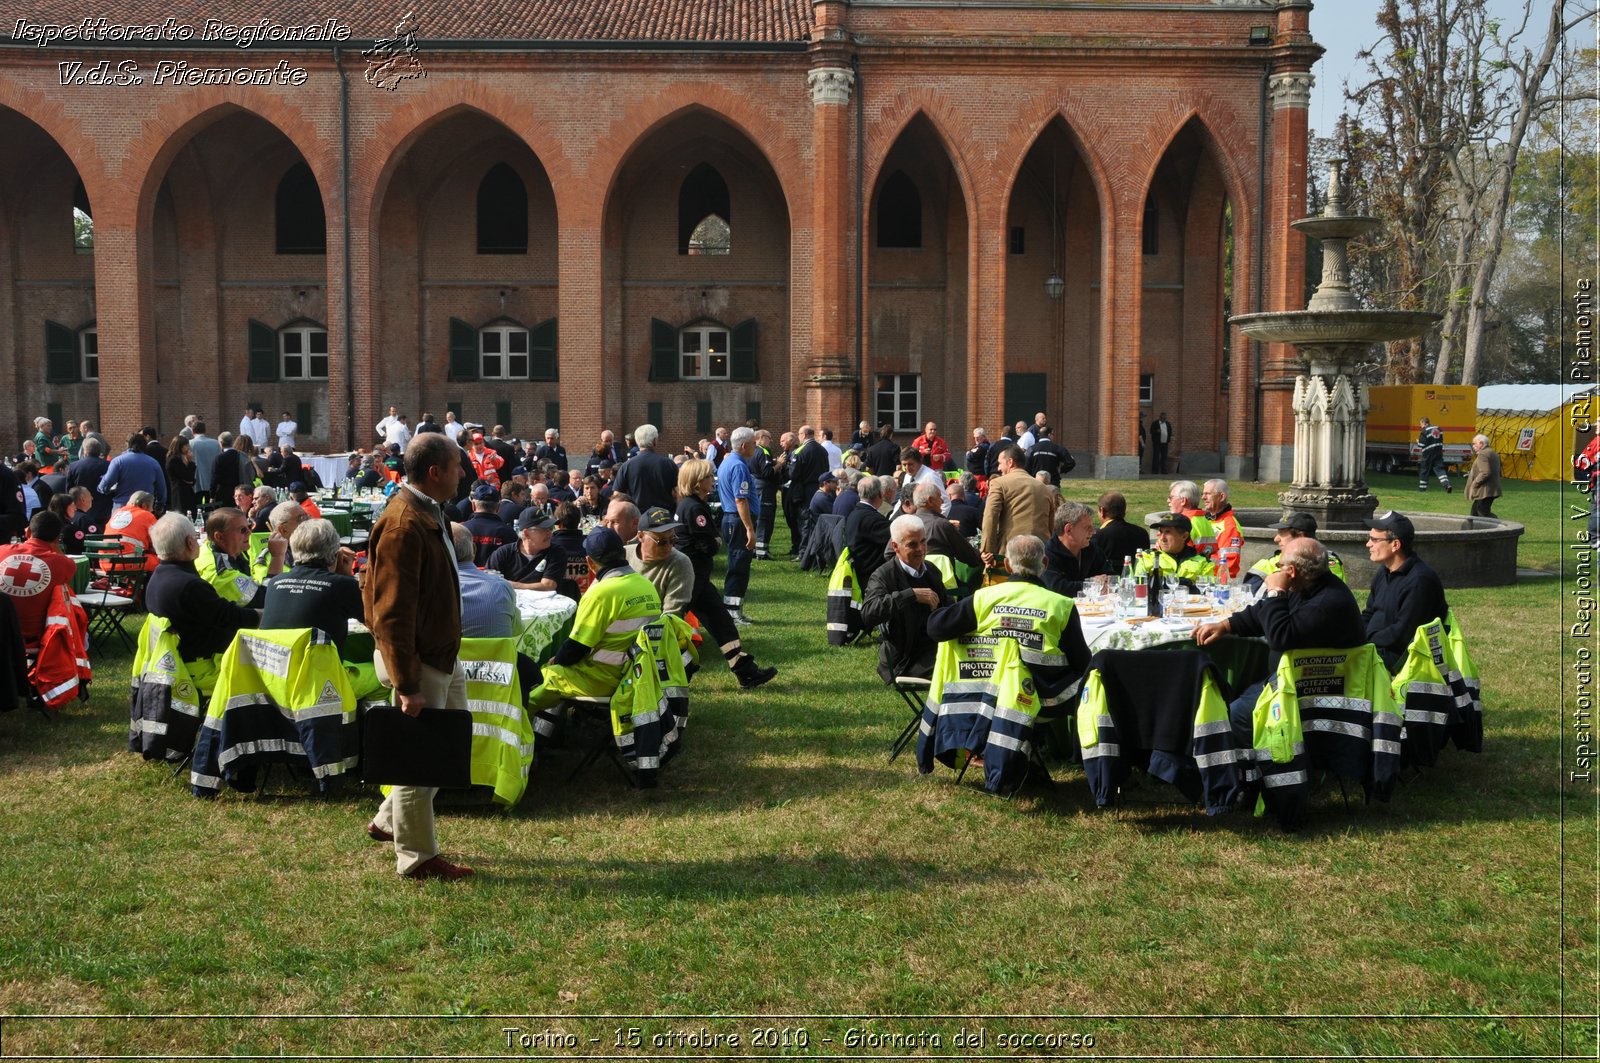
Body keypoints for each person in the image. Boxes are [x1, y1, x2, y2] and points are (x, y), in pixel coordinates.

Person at [362, 432, 473, 880]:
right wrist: (406, 683)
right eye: (457, 466)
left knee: (446, 748)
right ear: (435, 472)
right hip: (420, 659)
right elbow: (391, 613)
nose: (463, 473)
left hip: (440, 653)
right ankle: (417, 857)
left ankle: (388, 821)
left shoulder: (430, 513)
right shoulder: (404, 524)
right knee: (419, 760)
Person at [1196, 536, 1366, 750]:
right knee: (1232, 689)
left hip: (1314, 685)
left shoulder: (1327, 602)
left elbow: (1279, 637)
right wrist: (1226, 625)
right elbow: (1263, 614)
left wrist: (1276, 592)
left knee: (1239, 712)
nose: (1275, 569)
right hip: (1294, 676)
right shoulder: (1308, 586)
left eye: (1280, 565)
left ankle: (1254, 774)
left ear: (1292, 572)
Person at [927, 533, 1090, 708]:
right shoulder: (1062, 605)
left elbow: (936, 628)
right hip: (1048, 701)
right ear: (1045, 564)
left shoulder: (984, 598)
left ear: (1007, 566)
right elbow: (1083, 662)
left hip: (992, 697)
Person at [526, 527, 662, 711]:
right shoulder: (647, 586)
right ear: (623, 553)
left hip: (602, 678)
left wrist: (555, 660)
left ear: (590, 562)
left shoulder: (600, 594)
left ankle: (527, 733)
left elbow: (576, 647)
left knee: (539, 680)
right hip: (638, 673)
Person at [672, 460, 777, 688]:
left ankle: (745, 670)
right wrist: (716, 540)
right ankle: (677, 669)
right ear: (698, 482)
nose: (713, 480)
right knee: (672, 625)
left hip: (695, 577)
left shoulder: (688, 504)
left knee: (721, 621)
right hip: (691, 577)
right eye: (709, 477)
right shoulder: (694, 508)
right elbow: (708, 546)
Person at [144, 511, 261, 696]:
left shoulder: (158, 577)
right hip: (203, 669)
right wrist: (264, 614)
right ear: (191, 542)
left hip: (174, 662)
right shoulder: (189, 586)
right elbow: (230, 618)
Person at [861, 514, 950, 684]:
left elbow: (947, 606)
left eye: (923, 542)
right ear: (896, 546)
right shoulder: (883, 576)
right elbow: (868, 614)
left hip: (934, 647)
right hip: (905, 659)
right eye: (912, 544)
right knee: (954, 670)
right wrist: (910, 595)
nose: (921, 549)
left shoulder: (931, 570)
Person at [259, 519, 363, 658]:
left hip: (275, 672)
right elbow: (376, 621)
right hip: (319, 675)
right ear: (335, 555)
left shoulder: (275, 582)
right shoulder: (344, 586)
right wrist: (346, 576)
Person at [1362, 510, 1449, 673]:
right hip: (1376, 649)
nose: (1368, 544)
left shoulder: (1420, 581)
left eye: (1374, 539)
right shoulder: (1384, 572)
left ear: (1395, 544)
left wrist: (1365, 639)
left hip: (1401, 661)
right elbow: (1368, 613)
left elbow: (1401, 635)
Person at [0, 511, 79, 645]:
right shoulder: (64, 564)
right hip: (34, 638)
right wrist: (56, 546)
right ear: (57, 538)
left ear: (28, 532)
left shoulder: (2, 551)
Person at [979, 443, 1055, 567]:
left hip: (1010, 553)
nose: (998, 468)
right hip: (1040, 553)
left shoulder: (999, 483)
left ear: (1010, 462)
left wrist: (987, 550)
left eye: (1000, 463)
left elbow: (990, 516)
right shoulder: (1044, 488)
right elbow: (1051, 525)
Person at [195, 506, 281, 606]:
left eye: (249, 526)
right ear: (219, 537)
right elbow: (265, 599)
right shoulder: (222, 572)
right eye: (242, 530)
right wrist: (277, 556)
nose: (249, 533)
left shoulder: (214, 546)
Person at [717, 426, 759, 623]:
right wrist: (750, 529)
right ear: (743, 445)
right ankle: (732, 611)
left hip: (732, 519)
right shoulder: (739, 466)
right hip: (738, 520)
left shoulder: (729, 462)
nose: (755, 447)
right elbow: (740, 500)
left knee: (738, 563)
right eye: (753, 443)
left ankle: (734, 609)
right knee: (739, 565)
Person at [447, 523, 518, 639]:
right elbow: (516, 630)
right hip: (499, 656)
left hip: (453, 656)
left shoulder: (432, 590)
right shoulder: (502, 586)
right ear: (474, 549)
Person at [1245, 512, 1346, 590]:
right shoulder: (1272, 560)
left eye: (1281, 534)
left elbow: (1321, 595)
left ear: (1300, 536)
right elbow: (1247, 592)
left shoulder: (1324, 561)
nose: (1276, 539)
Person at [626, 506, 695, 616]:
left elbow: (672, 615)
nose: (668, 546)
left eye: (672, 540)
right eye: (661, 542)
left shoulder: (679, 563)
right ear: (640, 536)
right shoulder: (623, 556)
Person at [907, 481, 982, 575]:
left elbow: (889, 553)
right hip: (944, 584)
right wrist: (982, 555)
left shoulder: (905, 524)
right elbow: (971, 557)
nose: (942, 501)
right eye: (939, 497)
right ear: (930, 500)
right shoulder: (942, 525)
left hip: (913, 583)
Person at [488, 510, 566, 592]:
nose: (550, 534)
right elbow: (489, 582)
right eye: (544, 530)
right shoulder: (504, 553)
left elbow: (548, 586)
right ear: (526, 533)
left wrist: (512, 585)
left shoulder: (556, 552)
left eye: (550, 529)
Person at [1044, 501, 1110, 597]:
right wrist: (1093, 584)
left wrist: (1104, 581)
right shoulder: (1046, 554)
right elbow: (1058, 588)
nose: (1094, 531)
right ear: (1068, 529)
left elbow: (1111, 578)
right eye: (1088, 527)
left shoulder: (1092, 549)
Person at [1134, 512, 1212, 590]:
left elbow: (1208, 591)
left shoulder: (1203, 563)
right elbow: (1140, 586)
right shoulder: (1146, 557)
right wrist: (1188, 583)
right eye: (1161, 532)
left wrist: (1161, 581)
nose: (1162, 538)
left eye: (1167, 532)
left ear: (1184, 536)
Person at [612, 423, 677, 514]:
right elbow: (679, 492)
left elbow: (617, 496)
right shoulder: (669, 464)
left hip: (638, 517)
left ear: (637, 442)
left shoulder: (626, 466)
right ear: (655, 441)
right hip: (665, 518)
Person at [98, 433, 167, 511]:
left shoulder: (118, 461)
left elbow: (105, 485)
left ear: (128, 444)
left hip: (122, 507)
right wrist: (159, 505)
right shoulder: (154, 463)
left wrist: (102, 488)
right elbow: (161, 488)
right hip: (145, 508)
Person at [103, 492, 161, 572]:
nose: (152, 510)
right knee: (163, 562)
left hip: (105, 563)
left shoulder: (116, 513)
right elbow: (160, 542)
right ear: (144, 505)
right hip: (127, 562)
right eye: (151, 507)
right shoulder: (147, 515)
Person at [1091, 491, 1149, 568]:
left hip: (1106, 579)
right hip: (1135, 579)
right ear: (1124, 510)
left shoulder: (1097, 536)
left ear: (1102, 511)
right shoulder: (1142, 534)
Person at [461, 482, 515, 565]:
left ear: (473, 506)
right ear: (498, 508)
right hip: (497, 576)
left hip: (465, 577)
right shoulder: (508, 532)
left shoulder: (461, 530)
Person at [1201, 478, 1242, 579]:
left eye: (1208, 494)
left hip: (1214, 583)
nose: (1203, 497)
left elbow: (1229, 565)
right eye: (1203, 494)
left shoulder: (1230, 526)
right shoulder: (1206, 519)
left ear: (1221, 496)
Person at [1168, 480, 1216, 561]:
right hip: (1205, 570)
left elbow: (1177, 556)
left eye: (1171, 497)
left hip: (1187, 571)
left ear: (1183, 501)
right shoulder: (1204, 521)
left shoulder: (1183, 524)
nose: (1168, 501)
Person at [1466, 434, 1502, 517]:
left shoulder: (1483, 454)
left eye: (1475, 443)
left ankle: (1500, 527)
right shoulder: (1492, 452)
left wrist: (1475, 483)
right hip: (1491, 489)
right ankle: (1473, 529)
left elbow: (1485, 472)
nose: (1473, 446)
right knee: (1475, 513)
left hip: (1485, 491)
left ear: (1481, 443)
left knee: (1483, 514)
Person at [189, 422, 221, 504]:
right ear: (205, 430)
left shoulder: (190, 444)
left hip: (197, 480)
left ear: (192, 431)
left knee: (197, 505)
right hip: (213, 480)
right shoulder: (215, 443)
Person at [1416, 416, 1450, 492]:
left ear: (1424, 423)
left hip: (1428, 453)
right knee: (1440, 469)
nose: (1420, 426)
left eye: (1420, 424)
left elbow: (1421, 445)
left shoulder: (1424, 431)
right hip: (1438, 452)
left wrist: (1418, 442)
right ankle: (1446, 484)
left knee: (1425, 470)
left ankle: (1422, 488)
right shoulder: (1438, 428)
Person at [165, 435, 197, 516]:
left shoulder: (181, 458)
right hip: (180, 494)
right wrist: (190, 462)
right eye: (186, 446)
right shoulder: (174, 460)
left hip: (186, 492)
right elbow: (188, 477)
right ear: (180, 446)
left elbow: (190, 480)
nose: (188, 448)